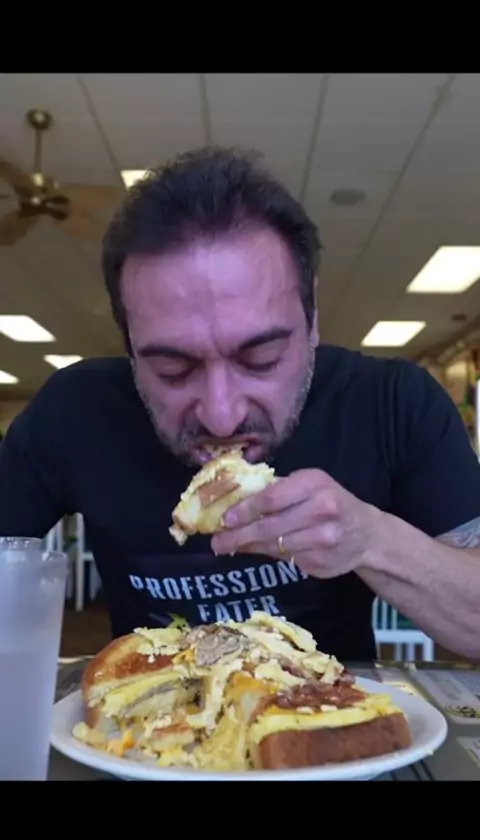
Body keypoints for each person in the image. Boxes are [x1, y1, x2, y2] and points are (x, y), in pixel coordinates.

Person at [1, 146, 480, 663]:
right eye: (173, 369)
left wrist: (371, 540)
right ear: (129, 346)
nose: (222, 415)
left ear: (312, 318)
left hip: (333, 709)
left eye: (261, 359)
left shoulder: (392, 403)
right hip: (144, 709)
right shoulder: (74, 412)